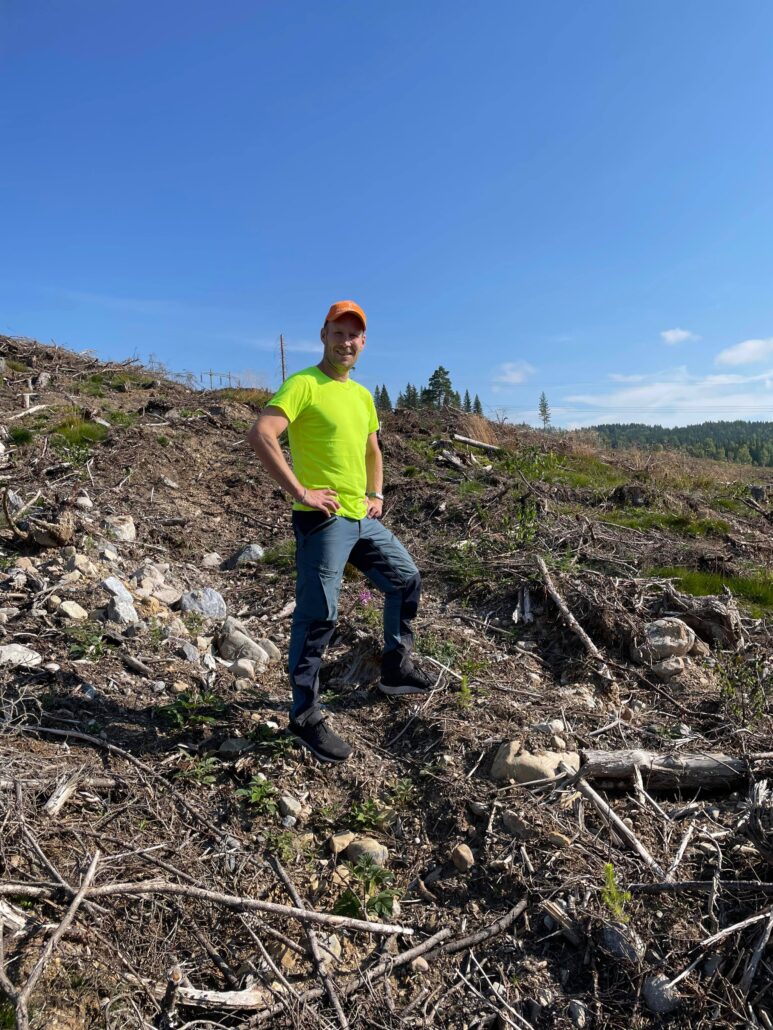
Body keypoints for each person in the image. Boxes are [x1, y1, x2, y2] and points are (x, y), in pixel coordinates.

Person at [246, 300, 434, 762]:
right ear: (324, 335)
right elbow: (262, 433)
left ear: (363, 342)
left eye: (353, 335)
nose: (345, 341)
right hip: (323, 520)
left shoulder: (363, 396)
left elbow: (372, 449)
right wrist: (301, 490)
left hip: (360, 516)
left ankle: (395, 670)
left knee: (405, 579)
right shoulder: (304, 384)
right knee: (319, 614)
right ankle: (304, 715)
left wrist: (377, 494)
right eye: (338, 332)